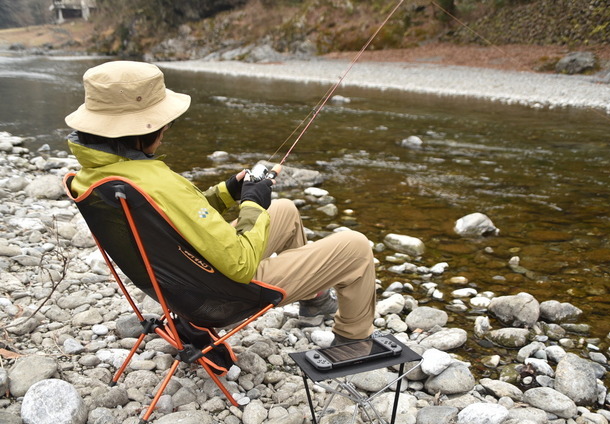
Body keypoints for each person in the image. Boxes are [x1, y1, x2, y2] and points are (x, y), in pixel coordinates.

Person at [64, 60, 377, 345]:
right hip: (221, 298)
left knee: (285, 210)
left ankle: (314, 299)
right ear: (139, 131)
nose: (165, 131)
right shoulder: (154, 181)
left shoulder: (95, 178)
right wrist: (253, 205)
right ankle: (353, 344)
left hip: (177, 289)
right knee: (356, 247)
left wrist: (228, 192)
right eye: (163, 124)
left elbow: (172, 221)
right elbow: (240, 265)